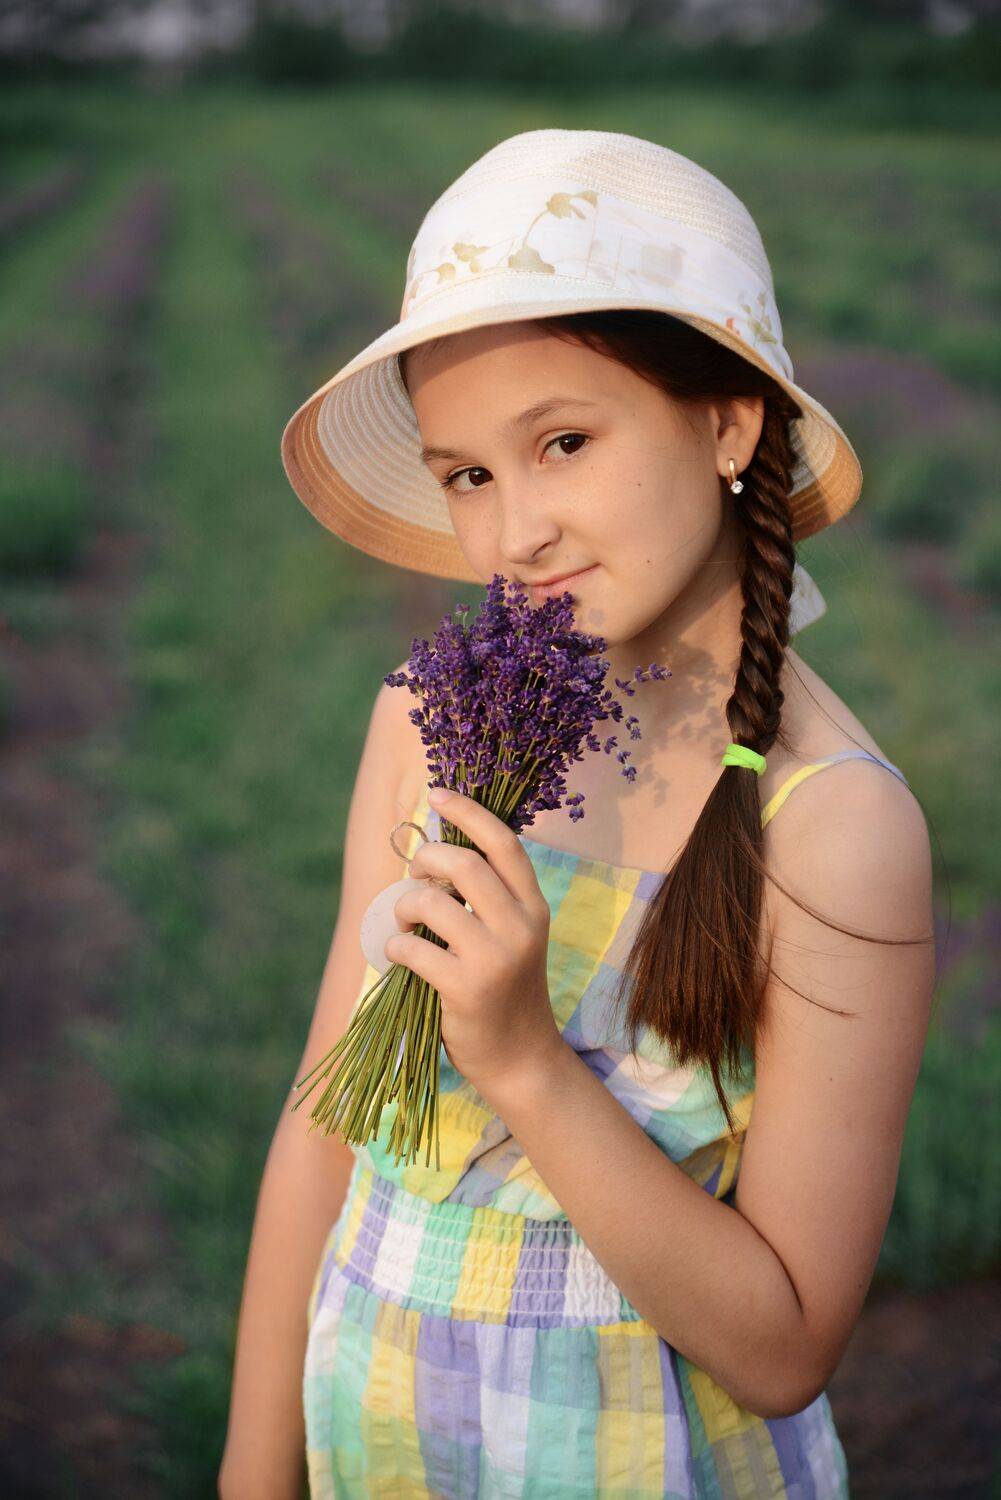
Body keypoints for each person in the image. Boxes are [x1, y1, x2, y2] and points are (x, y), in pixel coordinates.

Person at [219, 130, 934, 1499]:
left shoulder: (829, 826)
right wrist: (254, 1474)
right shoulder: (431, 725)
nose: (514, 534)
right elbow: (326, 1127)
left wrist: (524, 1062)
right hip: (375, 1444)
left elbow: (785, 1347)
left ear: (727, 424)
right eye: (468, 475)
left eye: (562, 443)